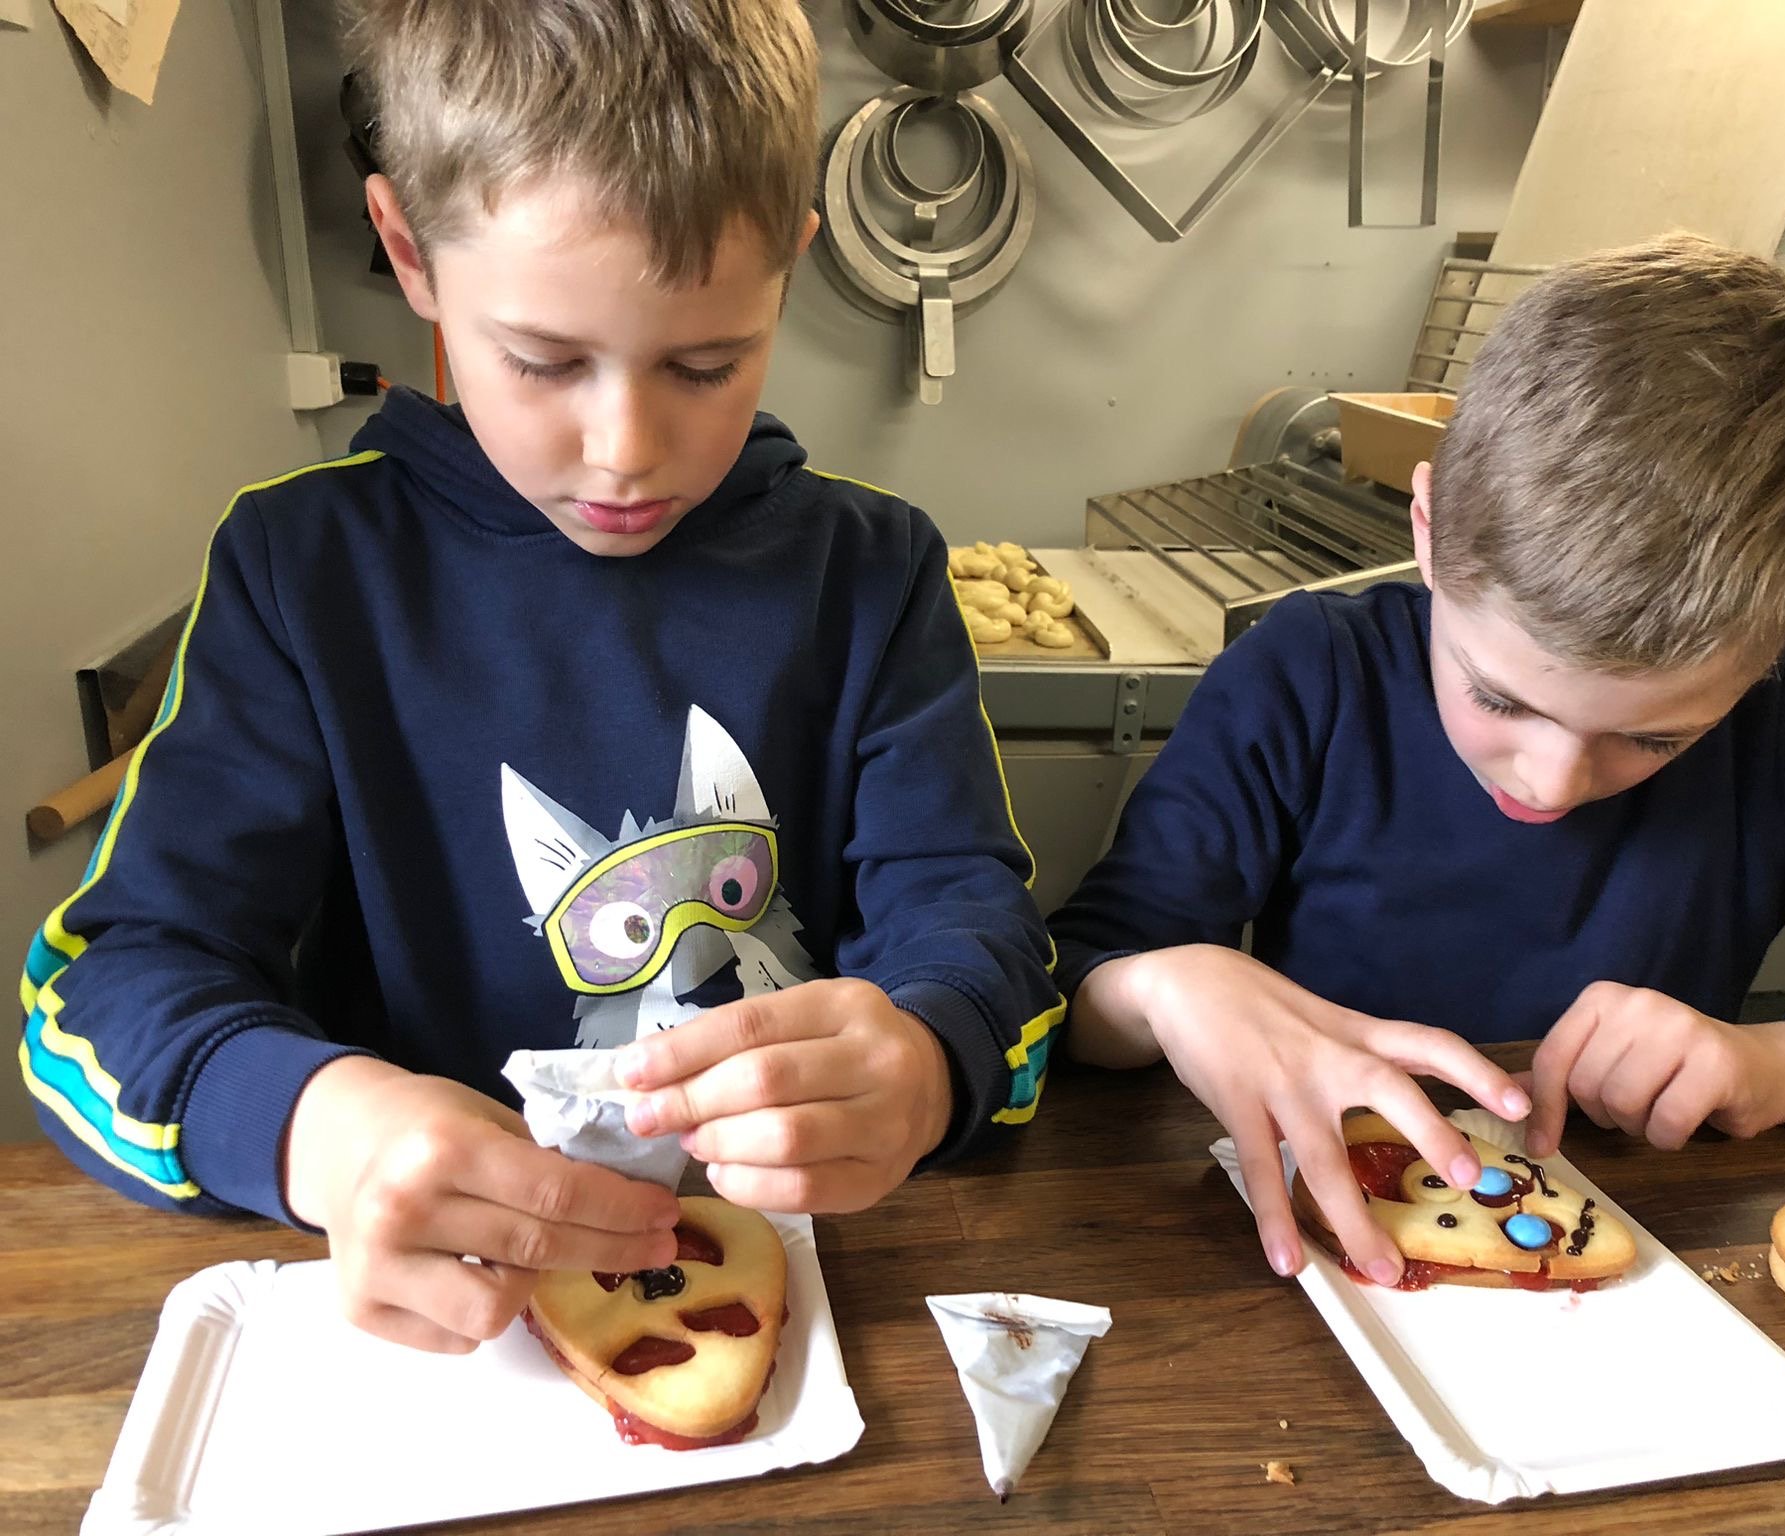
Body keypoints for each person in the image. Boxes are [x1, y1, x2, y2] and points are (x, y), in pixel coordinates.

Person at [18, 0, 1060, 1355]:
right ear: (409, 252)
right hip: (436, 1329)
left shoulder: (870, 573)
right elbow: (103, 991)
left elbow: (976, 926)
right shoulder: (301, 573)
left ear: (788, 272)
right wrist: (313, 1130)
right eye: (544, 361)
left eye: (706, 364)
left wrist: (926, 1058)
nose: (625, 448)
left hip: (810, 1302)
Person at [1051, 234, 1785, 1286]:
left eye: (1654, 737)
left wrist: (1781, 1064)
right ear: (1428, 528)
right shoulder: (1305, 677)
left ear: (1778, 636)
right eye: (1497, 697)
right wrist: (1161, 984)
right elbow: (1069, 990)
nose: (1550, 781)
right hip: (1317, 1266)